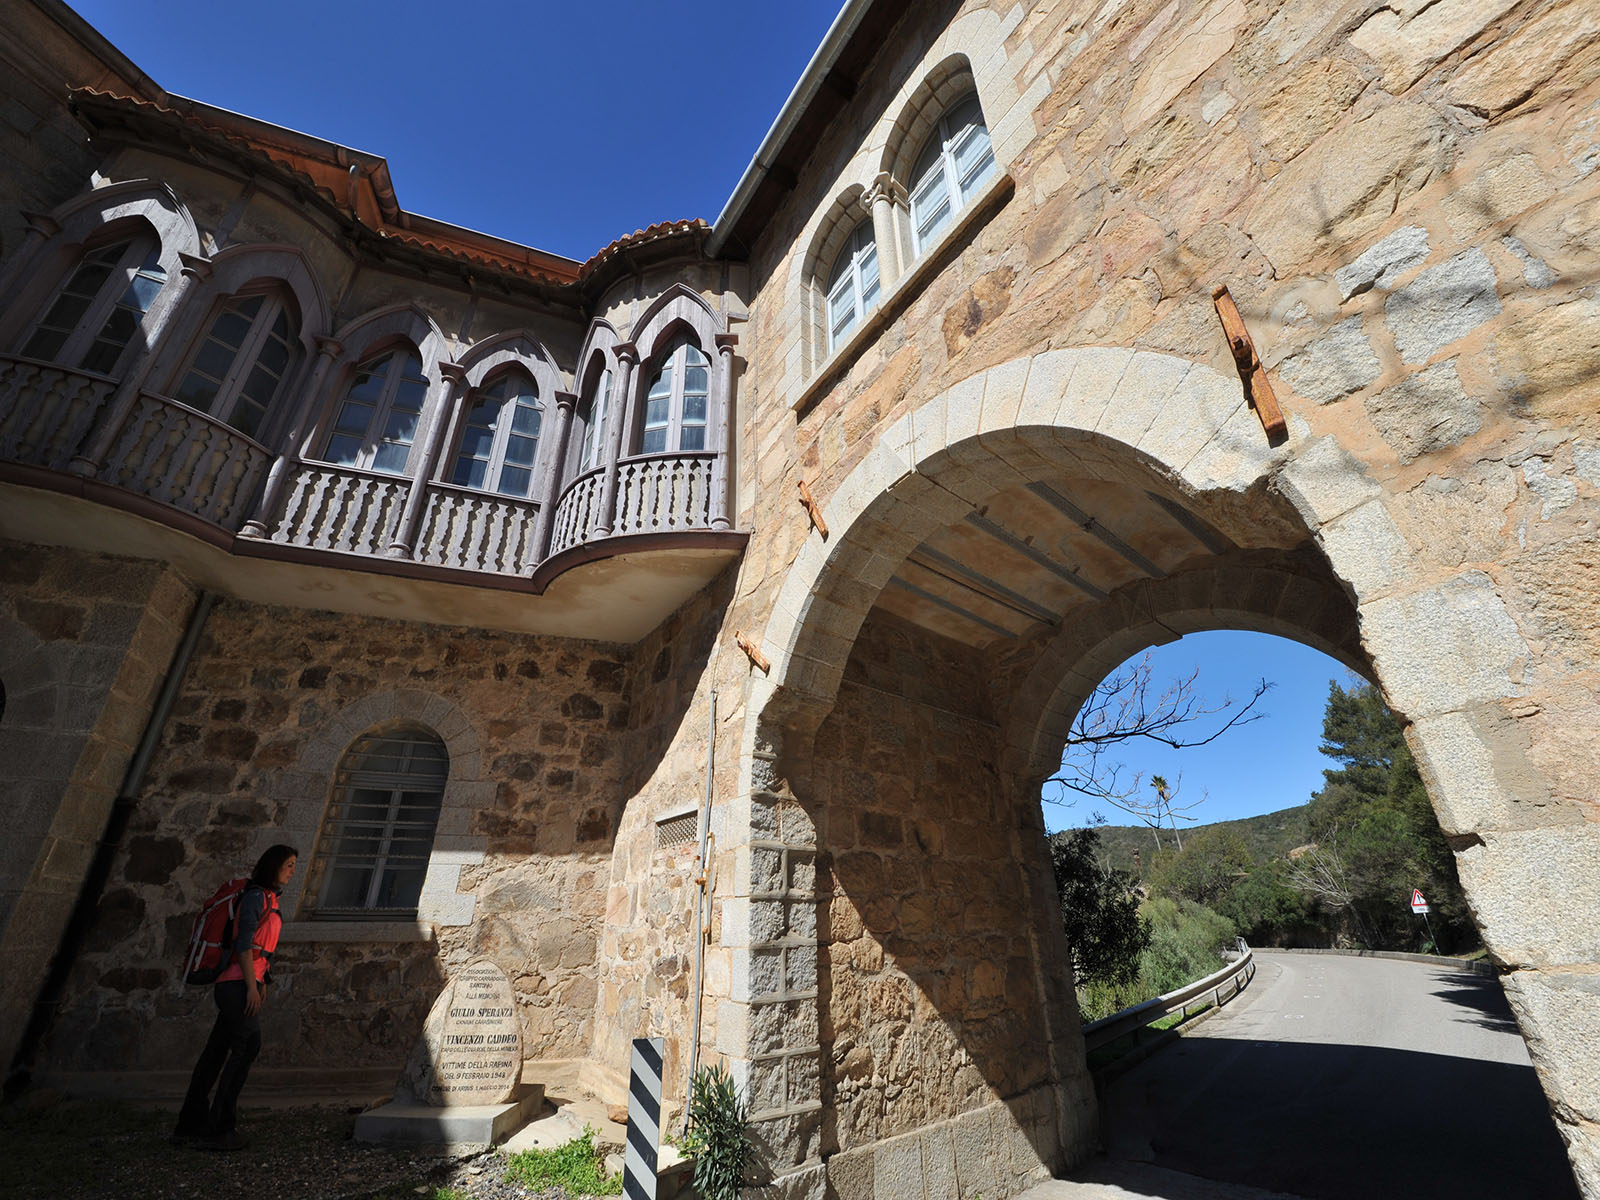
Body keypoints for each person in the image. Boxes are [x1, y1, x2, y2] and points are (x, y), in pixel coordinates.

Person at [172, 844, 297, 1151]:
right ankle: (219, 1128)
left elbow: (259, 947)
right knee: (247, 1047)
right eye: (289, 864)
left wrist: (262, 979)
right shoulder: (256, 897)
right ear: (273, 866)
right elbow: (243, 944)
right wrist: (252, 987)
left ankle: (190, 1124)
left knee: (216, 1053)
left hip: (242, 983)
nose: (293, 870)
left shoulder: (267, 897)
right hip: (236, 986)